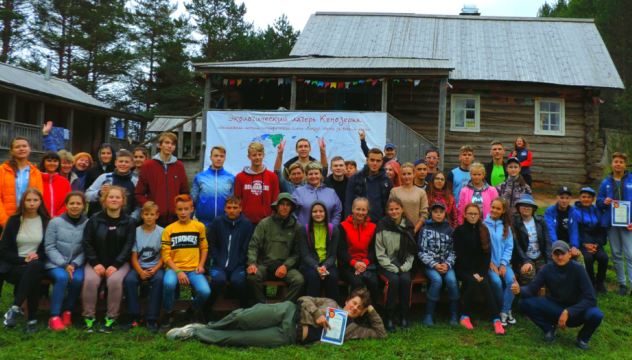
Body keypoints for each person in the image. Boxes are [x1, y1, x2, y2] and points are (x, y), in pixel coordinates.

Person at [166, 289, 386, 346]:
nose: (354, 308)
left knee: (239, 339)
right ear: (348, 300)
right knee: (241, 318)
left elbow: (380, 334)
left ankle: (196, 332)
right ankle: (207, 325)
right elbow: (303, 299)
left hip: (289, 335)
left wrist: (371, 310)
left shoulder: (353, 330)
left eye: (360, 308)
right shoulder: (330, 303)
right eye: (354, 303)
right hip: (288, 312)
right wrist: (319, 315)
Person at [512, 241, 603, 350]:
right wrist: (519, 291)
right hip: (554, 308)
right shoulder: (546, 269)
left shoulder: (579, 269)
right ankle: (548, 329)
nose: (560, 257)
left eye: (563, 253)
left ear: (569, 254)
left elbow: (591, 300)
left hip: (577, 311)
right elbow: (532, 289)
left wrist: (569, 311)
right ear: (552, 255)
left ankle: (583, 338)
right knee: (523, 302)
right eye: (556, 254)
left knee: (596, 314)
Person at [82, 185, 135, 333]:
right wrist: (95, 263)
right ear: (105, 200)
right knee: (91, 281)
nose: (114, 199)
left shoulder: (129, 221)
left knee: (114, 281)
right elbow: (87, 243)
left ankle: (111, 319)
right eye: (111, 197)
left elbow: (129, 246)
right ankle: (89, 318)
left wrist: (116, 265)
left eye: (118, 197)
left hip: (119, 263)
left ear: (122, 200)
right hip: (96, 261)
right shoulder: (94, 219)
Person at [0, 188, 50, 333]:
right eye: (28, 200)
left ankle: (15, 309)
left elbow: (48, 248)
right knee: (34, 277)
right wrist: (23, 259)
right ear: (23, 202)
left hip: (36, 263)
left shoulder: (46, 221)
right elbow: (3, 250)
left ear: (41, 202)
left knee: (34, 267)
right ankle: (31, 321)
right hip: (14, 265)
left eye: (35, 200)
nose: (32, 203)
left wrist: (37, 256)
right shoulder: (14, 220)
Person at [160, 194, 210, 331]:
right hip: (174, 268)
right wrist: (178, 271)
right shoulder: (169, 229)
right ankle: (169, 314)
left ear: (192, 209)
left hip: (193, 269)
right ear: (175, 210)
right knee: (168, 284)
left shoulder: (199, 227)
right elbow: (165, 255)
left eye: (186, 209)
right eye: (180, 209)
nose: (183, 213)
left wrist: (200, 265)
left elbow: (204, 248)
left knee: (205, 291)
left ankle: (191, 312)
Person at [453, 203, 504, 334]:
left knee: (485, 284)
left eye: (475, 214)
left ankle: (496, 320)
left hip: (480, 269)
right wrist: (473, 272)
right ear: (465, 214)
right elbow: (460, 255)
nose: (473, 216)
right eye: (470, 213)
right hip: (463, 268)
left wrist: (481, 273)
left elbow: (487, 253)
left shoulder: (483, 230)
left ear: (479, 215)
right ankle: (464, 316)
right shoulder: (459, 231)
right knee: (473, 282)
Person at [246, 193, 304, 304]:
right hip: (265, 266)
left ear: (291, 208)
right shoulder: (265, 223)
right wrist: (252, 263)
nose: (285, 207)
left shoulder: (297, 227)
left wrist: (286, 266)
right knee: (252, 277)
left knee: (299, 280)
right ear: (276, 206)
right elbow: (253, 245)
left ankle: (283, 309)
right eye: (282, 204)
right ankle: (263, 307)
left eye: (288, 205)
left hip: (285, 268)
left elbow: (297, 253)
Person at [44, 191, 88, 331]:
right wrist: (64, 265)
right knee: (62, 277)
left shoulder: (88, 223)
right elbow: (49, 247)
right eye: (72, 203)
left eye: (78, 203)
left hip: (77, 263)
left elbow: (87, 248)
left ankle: (67, 312)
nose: (75, 206)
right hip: (55, 263)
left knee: (78, 279)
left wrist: (73, 264)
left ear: (83, 206)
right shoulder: (55, 222)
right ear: (66, 205)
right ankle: (54, 317)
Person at [204, 195, 253, 318]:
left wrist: (241, 260)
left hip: (238, 264)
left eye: (235, 207)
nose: (231, 210)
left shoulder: (246, 224)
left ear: (240, 208)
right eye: (229, 207)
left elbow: (247, 245)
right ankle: (206, 310)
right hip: (219, 263)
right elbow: (211, 242)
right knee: (217, 281)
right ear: (225, 208)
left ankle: (245, 311)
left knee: (238, 281)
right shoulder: (217, 222)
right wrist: (217, 257)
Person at [375, 197, 417, 333]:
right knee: (393, 281)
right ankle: (389, 316)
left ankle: (404, 315)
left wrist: (404, 267)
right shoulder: (382, 226)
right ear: (387, 211)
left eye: (396, 209)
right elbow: (379, 253)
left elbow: (411, 252)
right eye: (391, 209)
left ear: (402, 209)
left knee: (405, 280)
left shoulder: (408, 226)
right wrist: (393, 268)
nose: (394, 212)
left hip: (403, 264)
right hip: (386, 265)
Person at [122, 201, 164, 332]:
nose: (149, 217)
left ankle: (152, 319)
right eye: (146, 214)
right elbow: (133, 256)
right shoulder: (136, 232)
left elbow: (164, 256)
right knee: (129, 280)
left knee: (159, 280)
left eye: (152, 214)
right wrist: (140, 271)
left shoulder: (162, 232)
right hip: (139, 267)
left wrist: (155, 269)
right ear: (142, 215)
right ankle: (136, 316)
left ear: (157, 215)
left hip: (156, 267)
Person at [418, 202, 459, 328]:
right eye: (435, 212)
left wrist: (447, 264)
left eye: (441, 212)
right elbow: (421, 251)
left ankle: (454, 313)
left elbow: (454, 251)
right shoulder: (424, 230)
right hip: (431, 265)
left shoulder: (451, 230)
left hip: (446, 264)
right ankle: (428, 314)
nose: (438, 214)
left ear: (445, 213)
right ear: (431, 214)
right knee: (437, 280)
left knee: (452, 281)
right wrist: (434, 265)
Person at [135, 133, 189, 227]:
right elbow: (139, 193)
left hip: (175, 218)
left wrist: (180, 209)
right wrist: (149, 206)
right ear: (160, 145)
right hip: (155, 218)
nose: (170, 146)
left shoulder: (179, 166)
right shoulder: (148, 166)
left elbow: (185, 193)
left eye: (173, 144)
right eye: (167, 143)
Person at [597, 152, 632, 296]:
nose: (618, 164)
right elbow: (598, 201)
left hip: (628, 224)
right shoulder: (605, 183)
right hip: (612, 223)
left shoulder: (631, 181)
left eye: (621, 162)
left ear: (625, 164)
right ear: (611, 164)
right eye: (616, 161)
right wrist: (603, 202)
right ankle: (622, 284)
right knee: (616, 254)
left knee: (630, 254)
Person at [337, 198, 379, 306]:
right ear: (353, 209)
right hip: (347, 264)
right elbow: (341, 251)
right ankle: (351, 312)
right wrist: (354, 263)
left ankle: (370, 312)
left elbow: (374, 250)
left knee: (374, 283)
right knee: (357, 283)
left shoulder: (373, 227)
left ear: (367, 211)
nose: (360, 213)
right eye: (358, 209)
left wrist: (364, 263)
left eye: (363, 210)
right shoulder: (343, 226)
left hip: (366, 264)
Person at [299, 200, 340, 302]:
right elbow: (305, 254)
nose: (318, 214)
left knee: (332, 278)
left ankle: (333, 312)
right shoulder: (304, 230)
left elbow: (333, 254)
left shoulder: (333, 229)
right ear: (310, 214)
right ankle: (311, 310)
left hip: (327, 264)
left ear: (325, 213)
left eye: (321, 211)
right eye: (315, 211)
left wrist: (324, 267)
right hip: (310, 265)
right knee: (314, 277)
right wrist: (317, 267)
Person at [484, 197, 516, 327]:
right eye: (493, 207)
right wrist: (490, 263)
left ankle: (504, 311)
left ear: (503, 211)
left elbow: (509, 247)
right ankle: (506, 309)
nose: (494, 210)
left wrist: (503, 264)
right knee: (496, 282)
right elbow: (483, 247)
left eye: (498, 208)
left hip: (504, 263)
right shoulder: (484, 225)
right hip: (489, 263)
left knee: (511, 282)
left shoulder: (506, 227)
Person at [571, 188, 609, 294]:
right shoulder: (574, 212)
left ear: (593, 199)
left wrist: (597, 244)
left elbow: (602, 230)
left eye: (589, 197)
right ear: (579, 198)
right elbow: (574, 231)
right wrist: (584, 244)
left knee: (604, 258)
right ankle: (590, 282)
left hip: (595, 242)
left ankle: (600, 282)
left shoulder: (598, 211)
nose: (586, 199)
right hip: (582, 242)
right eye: (584, 197)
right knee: (587, 259)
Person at [0, 137, 44, 228]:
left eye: (24, 146)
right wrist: (5, 221)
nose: (21, 149)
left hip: (28, 219)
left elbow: (39, 196)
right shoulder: (3, 170)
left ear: (29, 149)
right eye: (17, 147)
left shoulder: (35, 172)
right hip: (5, 219)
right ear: (11, 151)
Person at [86, 149, 140, 221]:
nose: (123, 164)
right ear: (115, 163)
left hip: (124, 224)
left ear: (131, 164)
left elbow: (139, 206)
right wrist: (99, 193)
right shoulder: (104, 178)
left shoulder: (135, 182)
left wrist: (132, 219)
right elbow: (86, 196)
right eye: (120, 161)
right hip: (102, 221)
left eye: (126, 162)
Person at [234, 142, 280, 225]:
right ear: (249, 157)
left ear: (263, 155)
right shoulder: (240, 177)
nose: (257, 157)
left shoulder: (272, 177)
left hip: (267, 223)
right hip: (245, 223)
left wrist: (273, 220)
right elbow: (237, 201)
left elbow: (275, 200)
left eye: (259, 154)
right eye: (254, 155)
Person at [511, 194, 552, 285]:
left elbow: (547, 241)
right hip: (524, 256)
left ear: (533, 208)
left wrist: (549, 260)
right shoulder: (515, 222)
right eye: (523, 205)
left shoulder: (541, 221)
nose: (526, 208)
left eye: (529, 206)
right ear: (519, 208)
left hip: (539, 255)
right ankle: (525, 295)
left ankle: (549, 297)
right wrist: (525, 261)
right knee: (528, 274)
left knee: (549, 273)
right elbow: (516, 244)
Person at [345, 148, 393, 224]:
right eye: (372, 160)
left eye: (378, 161)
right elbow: (348, 201)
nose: (375, 163)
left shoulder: (386, 181)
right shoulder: (356, 178)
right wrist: (348, 222)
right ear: (367, 160)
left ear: (382, 162)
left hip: (379, 223)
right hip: (359, 222)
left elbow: (389, 204)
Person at [191, 145, 235, 227]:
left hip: (225, 223)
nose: (219, 158)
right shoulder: (200, 177)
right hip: (203, 224)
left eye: (221, 156)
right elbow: (193, 200)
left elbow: (234, 201)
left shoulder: (231, 178)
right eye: (216, 156)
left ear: (225, 158)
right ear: (210, 157)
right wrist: (189, 221)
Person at [292, 161, 343, 226]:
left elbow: (337, 212)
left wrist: (331, 227)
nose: (313, 176)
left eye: (316, 173)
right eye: (310, 174)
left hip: (327, 233)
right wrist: (300, 227)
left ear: (321, 175)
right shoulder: (298, 192)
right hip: (304, 233)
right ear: (306, 176)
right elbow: (292, 212)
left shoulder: (331, 192)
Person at [544, 186, 583, 263]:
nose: (564, 201)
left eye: (567, 198)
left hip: (567, 243)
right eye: (562, 198)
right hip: (554, 243)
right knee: (555, 259)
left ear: (570, 199)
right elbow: (550, 230)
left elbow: (574, 231)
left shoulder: (573, 213)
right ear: (557, 198)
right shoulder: (550, 211)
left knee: (579, 257)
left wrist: (574, 247)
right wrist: (556, 246)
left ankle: (580, 274)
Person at [390, 163, 429, 233]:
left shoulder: (421, 192)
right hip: (398, 230)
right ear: (400, 176)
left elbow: (424, 214)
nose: (406, 177)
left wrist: (415, 230)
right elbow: (390, 211)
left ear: (414, 174)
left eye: (409, 174)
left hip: (416, 231)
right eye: (404, 174)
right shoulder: (394, 191)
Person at [39, 150, 72, 217]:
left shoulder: (64, 182)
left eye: (55, 161)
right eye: (49, 161)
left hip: (59, 219)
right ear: (43, 163)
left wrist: (58, 216)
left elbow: (68, 201)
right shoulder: (37, 179)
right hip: (39, 218)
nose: (52, 163)